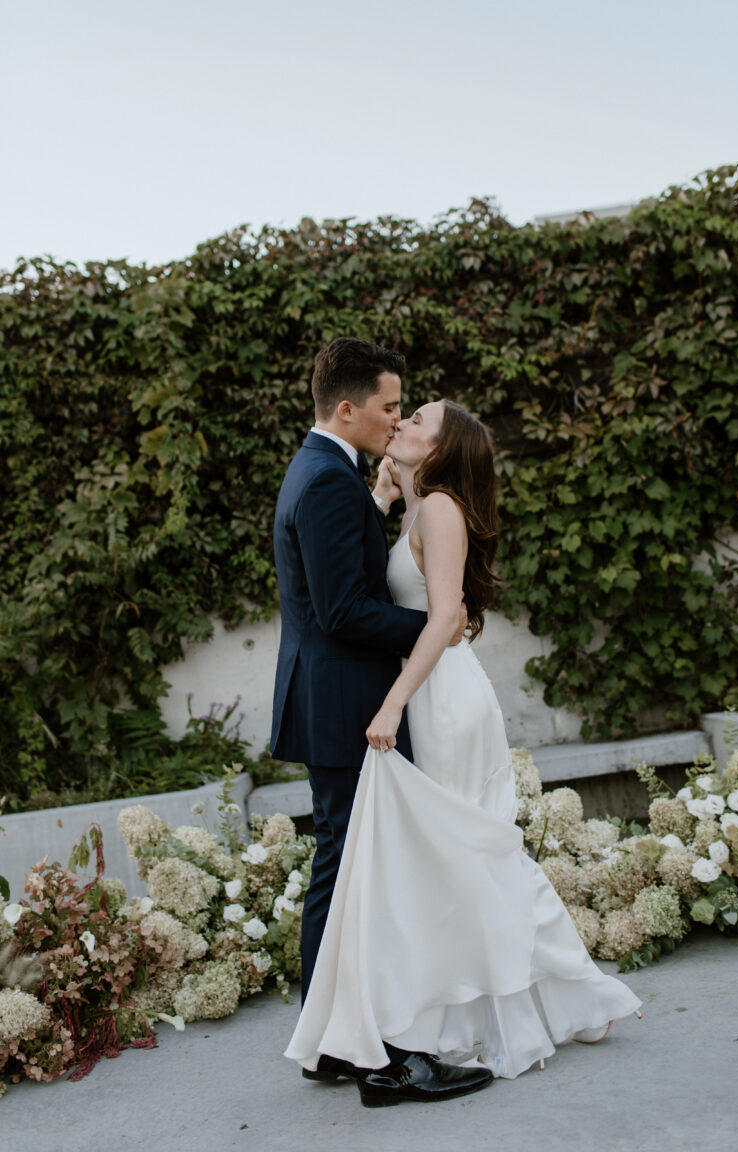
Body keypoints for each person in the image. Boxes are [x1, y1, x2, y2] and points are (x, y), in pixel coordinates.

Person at [284, 397, 642, 1107]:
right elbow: (410, 583)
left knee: (471, 852)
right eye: (405, 414)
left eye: (418, 421)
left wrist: (390, 705)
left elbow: (446, 615)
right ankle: (504, 1001)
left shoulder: (443, 507)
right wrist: (384, 497)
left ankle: (571, 991)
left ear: (443, 451)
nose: (403, 425)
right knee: (454, 858)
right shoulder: (420, 504)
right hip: (425, 690)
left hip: (442, 701)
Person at [271, 338, 490, 1104]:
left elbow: (344, 572)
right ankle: (381, 1059)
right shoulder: (329, 480)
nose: (396, 418)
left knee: (343, 868)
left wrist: (380, 505)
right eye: (391, 406)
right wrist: (436, 626)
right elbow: (344, 611)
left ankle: (334, 1044)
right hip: (343, 702)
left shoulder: (324, 472)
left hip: (327, 697)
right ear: (348, 408)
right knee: (355, 877)